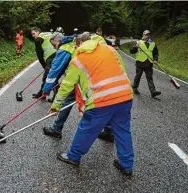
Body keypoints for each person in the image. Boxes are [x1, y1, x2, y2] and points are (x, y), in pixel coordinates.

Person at [49, 33, 134, 175]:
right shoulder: (109, 49)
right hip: (124, 95)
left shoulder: (79, 59)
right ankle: (127, 165)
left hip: (102, 100)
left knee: (87, 128)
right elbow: (122, 67)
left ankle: (73, 156)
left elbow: (66, 86)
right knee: (123, 131)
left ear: (79, 44)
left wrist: (56, 105)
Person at [42, 32, 76, 137]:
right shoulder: (72, 43)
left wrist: (46, 89)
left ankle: (56, 129)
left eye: (54, 45)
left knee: (68, 100)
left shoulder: (64, 48)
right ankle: (108, 131)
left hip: (81, 78)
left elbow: (54, 72)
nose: (54, 48)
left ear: (58, 41)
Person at [130, 30, 161, 98]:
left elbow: (155, 53)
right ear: (143, 35)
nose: (147, 36)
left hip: (149, 63)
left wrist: (155, 60)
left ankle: (153, 92)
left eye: (148, 35)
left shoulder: (153, 43)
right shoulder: (138, 42)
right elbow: (131, 51)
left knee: (150, 78)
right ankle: (135, 88)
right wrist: (135, 47)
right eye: (146, 34)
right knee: (138, 77)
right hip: (140, 63)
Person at [30, 27, 56, 99]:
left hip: (50, 57)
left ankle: (56, 96)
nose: (33, 36)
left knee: (51, 77)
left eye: (33, 34)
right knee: (47, 76)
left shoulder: (38, 39)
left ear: (38, 32)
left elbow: (40, 55)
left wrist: (44, 66)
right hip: (58, 54)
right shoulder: (48, 33)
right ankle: (42, 93)